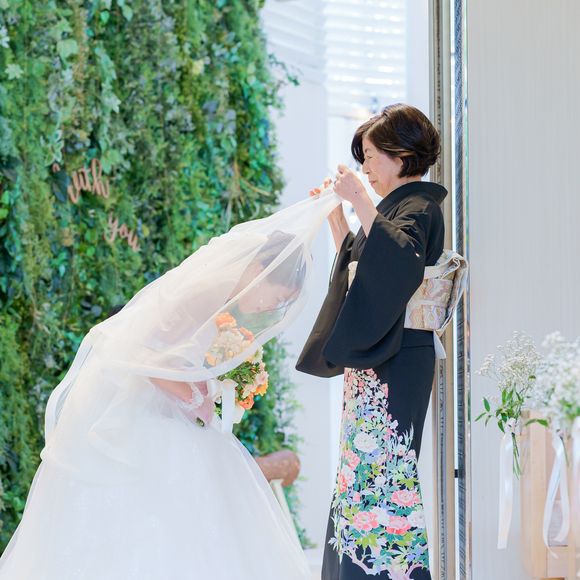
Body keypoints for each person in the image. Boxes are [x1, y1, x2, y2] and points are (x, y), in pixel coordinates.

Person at [0, 192, 342, 580]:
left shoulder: (220, 296)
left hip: (158, 406)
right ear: (260, 268)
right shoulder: (205, 293)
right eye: (276, 297)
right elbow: (142, 354)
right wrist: (198, 397)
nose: (269, 308)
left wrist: (205, 390)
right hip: (134, 412)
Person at [297, 103, 448, 580]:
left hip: (400, 356)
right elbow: (364, 262)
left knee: (386, 471)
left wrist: (360, 199)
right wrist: (337, 218)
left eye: (370, 156)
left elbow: (399, 264)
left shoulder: (421, 207)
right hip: (380, 355)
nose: (365, 168)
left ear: (401, 156)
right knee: (359, 472)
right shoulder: (392, 210)